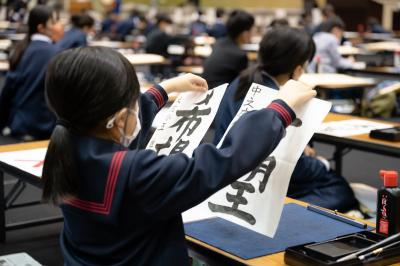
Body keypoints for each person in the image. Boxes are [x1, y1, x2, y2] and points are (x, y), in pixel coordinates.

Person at [41, 46, 315, 265]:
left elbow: (121, 127)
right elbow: (225, 158)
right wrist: (280, 109)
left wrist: (163, 90)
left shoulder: (66, 144)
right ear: (120, 117)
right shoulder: (139, 173)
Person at [213, 27, 359, 212]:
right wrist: (322, 163)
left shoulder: (241, 81)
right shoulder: (279, 100)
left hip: (225, 173)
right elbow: (287, 164)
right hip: (258, 178)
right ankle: (281, 211)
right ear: (298, 69)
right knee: (339, 189)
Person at [0, 5, 59, 140]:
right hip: (43, 127)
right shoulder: (56, 53)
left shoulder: (20, 48)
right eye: (54, 22)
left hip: (18, 124)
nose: (60, 26)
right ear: (41, 28)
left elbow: (8, 91)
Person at [202, 9, 254, 89]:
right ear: (244, 33)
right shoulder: (239, 55)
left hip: (206, 91)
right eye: (251, 30)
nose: (252, 34)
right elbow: (243, 86)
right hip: (220, 97)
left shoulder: (218, 43)